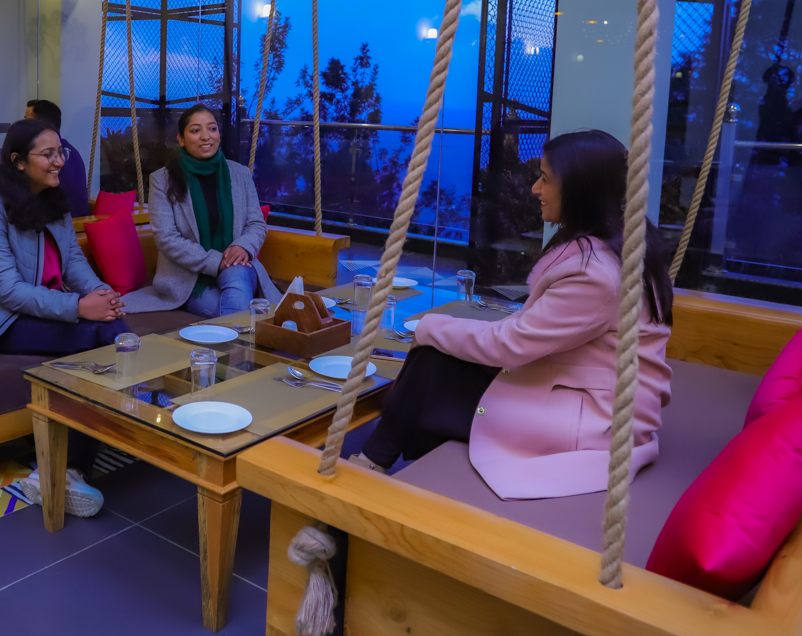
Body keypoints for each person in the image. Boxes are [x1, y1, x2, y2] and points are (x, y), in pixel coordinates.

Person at [349, 129, 674, 501]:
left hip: (596, 420)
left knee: (431, 360)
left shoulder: (596, 274)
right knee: (437, 362)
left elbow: (513, 345)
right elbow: (531, 334)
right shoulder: (616, 247)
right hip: (587, 389)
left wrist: (427, 326)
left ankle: (373, 468)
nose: (535, 189)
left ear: (580, 190)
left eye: (545, 179)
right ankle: (380, 461)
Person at [0, 117, 130, 517]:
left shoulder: (52, 200)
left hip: (37, 308)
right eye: (48, 154)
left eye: (60, 152)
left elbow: (74, 262)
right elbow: (8, 291)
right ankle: (64, 468)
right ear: (18, 161)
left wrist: (103, 295)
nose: (59, 161)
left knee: (110, 328)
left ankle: (72, 464)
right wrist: (79, 308)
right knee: (92, 339)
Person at [123, 104, 282, 318]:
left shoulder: (240, 174)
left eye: (212, 129)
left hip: (239, 268)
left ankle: (240, 335)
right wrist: (216, 262)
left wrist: (243, 247)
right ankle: (248, 334)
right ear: (181, 139)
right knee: (232, 309)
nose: (206, 136)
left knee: (236, 277)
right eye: (196, 130)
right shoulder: (162, 180)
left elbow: (256, 223)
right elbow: (167, 238)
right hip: (189, 279)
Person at [24, 99, 89, 217]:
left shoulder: (48, 155)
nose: (22, 126)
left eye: (27, 121)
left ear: (40, 124)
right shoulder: (69, 149)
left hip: (63, 222)